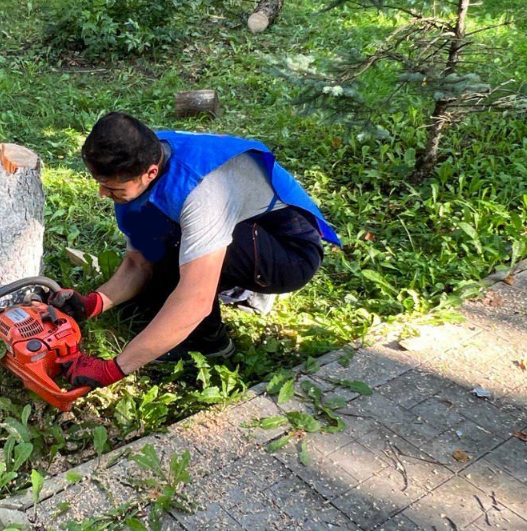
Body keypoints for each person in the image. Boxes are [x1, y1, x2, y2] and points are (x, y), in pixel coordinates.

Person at [51, 113, 341, 389]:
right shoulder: (138, 154)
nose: (103, 194)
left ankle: (211, 344)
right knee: (158, 248)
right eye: (100, 184)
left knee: (173, 244)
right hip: (244, 229)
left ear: (150, 173)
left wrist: (113, 368)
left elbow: (195, 299)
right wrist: (94, 303)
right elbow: (139, 263)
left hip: (289, 252)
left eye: (112, 189)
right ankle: (221, 293)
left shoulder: (202, 194)